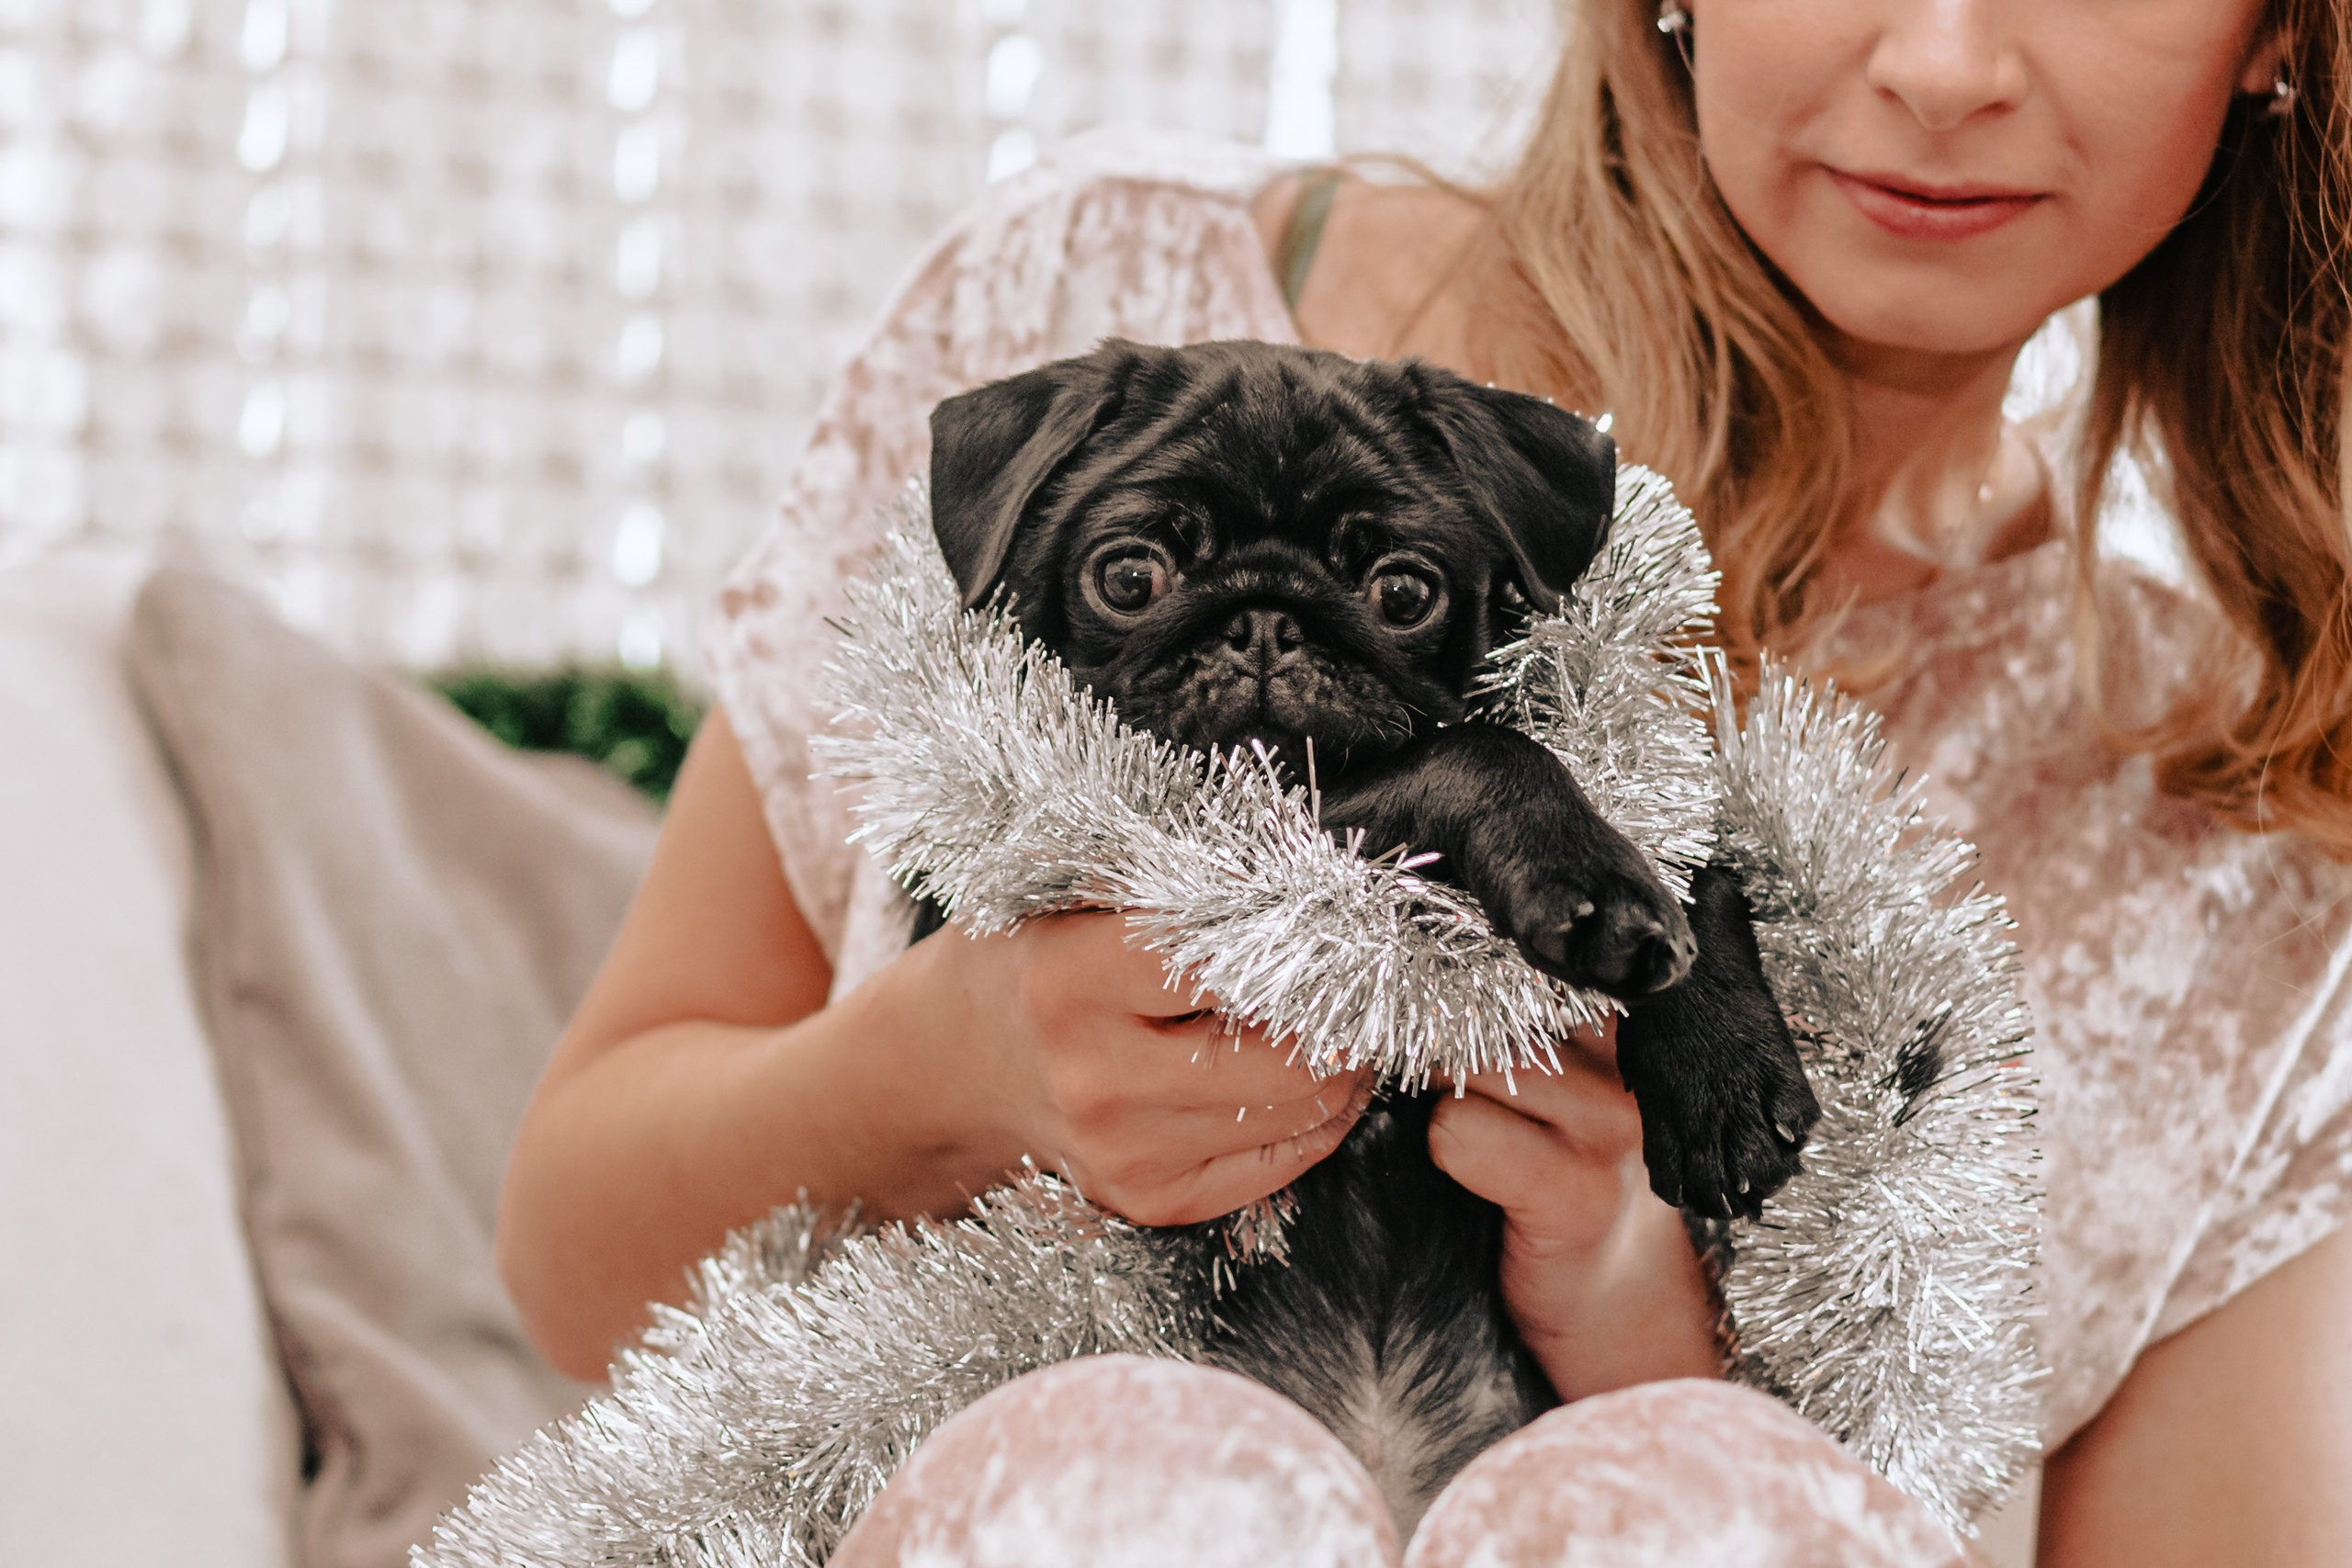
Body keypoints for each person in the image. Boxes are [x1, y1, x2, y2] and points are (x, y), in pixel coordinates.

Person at [496, 1, 2352, 1562]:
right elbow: (578, 1270)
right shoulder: (1092, 315)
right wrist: (939, 1063)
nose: (1943, 59)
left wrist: (1638, 1322)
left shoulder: (2253, 799)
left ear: (2278, 25)